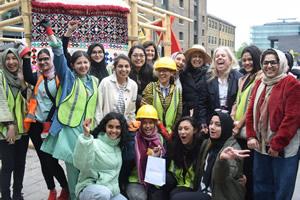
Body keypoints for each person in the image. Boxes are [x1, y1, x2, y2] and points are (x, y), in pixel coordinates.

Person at [39, 18, 99, 200]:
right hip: (70, 129)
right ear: (73, 65)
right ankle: (73, 196)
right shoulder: (68, 78)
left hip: (88, 130)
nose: (83, 65)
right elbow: (58, 54)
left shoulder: (94, 81)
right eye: (79, 63)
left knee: (87, 167)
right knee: (73, 167)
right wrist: (51, 31)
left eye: (85, 62)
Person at [14, 39, 69, 200]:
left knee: (51, 161)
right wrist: (25, 53)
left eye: (46, 58)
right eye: (40, 59)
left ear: (52, 59)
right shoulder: (38, 77)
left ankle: (65, 188)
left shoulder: (60, 78)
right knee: (43, 161)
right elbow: (30, 88)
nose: (43, 62)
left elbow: (63, 55)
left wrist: (63, 37)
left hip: (52, 126)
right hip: (36, 125)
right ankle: (51, 190)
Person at [246, 48, 300, 200]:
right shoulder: (260, 82)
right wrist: (251, 136)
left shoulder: (291, 83)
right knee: (261, 188)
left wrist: (277, 144)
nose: (269, 66)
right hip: (261, 146)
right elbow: (251, 112)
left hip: (283, 149)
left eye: (273, 63)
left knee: (281, 190)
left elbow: (293, 118)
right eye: (265, 63)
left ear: (281, 63)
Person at [169, 112, 248, 200]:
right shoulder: (208, 143)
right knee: (174, 193)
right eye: (211, 123)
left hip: (218, 195)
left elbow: (223, 179)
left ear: (226, 127)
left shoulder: (232, 149)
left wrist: (222, 161)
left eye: (217, 125)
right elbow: (191, 149)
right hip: (202, 189)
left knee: (177, 198)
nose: (212, 127)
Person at [230, 45, 262, 200]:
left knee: (249, 173)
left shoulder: (260, 78)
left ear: (257, 59)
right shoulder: (243, 79)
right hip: (238, 130)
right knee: (241, 172)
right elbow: (238, 100)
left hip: (249, 131)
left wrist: (239, 125)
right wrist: (232, 116)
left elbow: (252, 105)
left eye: (250, 59)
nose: (247, 63)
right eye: (244, 60)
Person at [73, 112, 128, 200]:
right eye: (110, 126)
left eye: (118, 127)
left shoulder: (118, 147)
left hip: (111, 192)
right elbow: (81, 164)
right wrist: (86, 136)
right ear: (104, 127)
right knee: (103, 194)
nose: (114, 130)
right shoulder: (94, 143)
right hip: (90, 188)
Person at [0, 48, 29, 200]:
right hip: (5, 131)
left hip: (23, 131)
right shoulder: (0, 76)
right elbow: (1, 101)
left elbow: (30, 101)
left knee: (20, 165)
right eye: (7, 59)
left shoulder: (21, 78)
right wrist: (10, 124)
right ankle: (5, 196)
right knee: (7, 166)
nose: (11, 62)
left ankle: (18, 194)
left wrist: (23, 82)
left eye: (14, 58)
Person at [124, 105, 166, 200]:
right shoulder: (133, 137)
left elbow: (164, 164)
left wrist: (157, 156)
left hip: (154, 180)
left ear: (155, 123)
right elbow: (127, 157)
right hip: (136, 180)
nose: (148, 126)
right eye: (144, 123)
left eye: (151, 123)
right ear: (140, 123)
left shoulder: (160, 139)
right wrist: (131, 136)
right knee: (139, 197)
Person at [141, 57, 182, 136]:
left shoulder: (177, 91)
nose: (162, 73)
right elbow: (146, 110)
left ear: (172, 73)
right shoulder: (150, 87)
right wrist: (160, 126)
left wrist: (173, 131)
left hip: (170, 134)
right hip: (152, 133)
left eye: (165, 70)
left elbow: (179, 114)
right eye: (160, 71)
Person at [204, 46, 243, 125]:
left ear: (230, 60)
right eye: (217, 56)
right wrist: (203, 123)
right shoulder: (208, 78)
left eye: (223, 55)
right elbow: (202, 103)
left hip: (232, 120)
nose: (219, 58)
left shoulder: (239, 78)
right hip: (212, 120)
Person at [95, 54, 137, 125]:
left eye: (126, 66)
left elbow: (131, 111)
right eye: (120, 66)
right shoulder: (105, 83)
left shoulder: (133, 85)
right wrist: (100, 128)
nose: (124, 69)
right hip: (107, 126)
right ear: (114, 68)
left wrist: (131, 128)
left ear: (130, 68)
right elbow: (98, 109)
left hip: (124, 127)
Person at [180, 45, 211, 128]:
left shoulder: (209, 75)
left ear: (204, 60)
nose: (197, 59)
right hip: (186, 115)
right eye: (195, 56)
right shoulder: (183, 74)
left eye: (200, 57)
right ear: (190, 58)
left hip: (203, 117)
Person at [128, 45, 155, 109]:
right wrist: (137, 98)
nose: (138, 58)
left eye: (141, 55)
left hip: (148, 107)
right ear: (130, 57)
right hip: (130, 107)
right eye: (135, 55)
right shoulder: (126, 71)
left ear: (145, 57)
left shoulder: (151, 71)